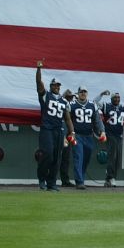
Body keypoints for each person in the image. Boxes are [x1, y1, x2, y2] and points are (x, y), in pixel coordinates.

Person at [35, 62, 74, 192]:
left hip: (59, 131)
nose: (57, 87)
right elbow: (39, 83)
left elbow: (67, 118)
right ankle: (42, 178)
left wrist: (72, 132)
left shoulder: (64, 101)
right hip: (47, 129)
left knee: (57, 158)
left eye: (58, 85)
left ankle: (51, 183)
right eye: (55, 85)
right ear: (51, 86)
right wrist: (39, 69)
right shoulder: (46, 95)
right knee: (48, 154)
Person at [98, 91, 124, 187]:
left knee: (117, 158)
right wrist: (101, 94)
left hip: (119, 136)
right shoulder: (107, 106)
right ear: (111, 99)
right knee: (112, 156)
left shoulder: (123, 108)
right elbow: (95, 103)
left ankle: (109, 178)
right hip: (110, 134)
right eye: (115, 97)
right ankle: (111, 177)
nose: (117, 99)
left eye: (118, 97)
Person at [69, 87, 101, 189]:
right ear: (78, 93)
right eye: (81, 92)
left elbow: (97, 120)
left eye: (84, 92)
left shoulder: (92, 105)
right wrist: (70, 133)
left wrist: (102, 131)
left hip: (89, 136)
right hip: (77, 135)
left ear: (87, 93)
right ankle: (79, 181)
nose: (83, 93)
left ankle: (81, 179)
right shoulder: (72, 105)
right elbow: (67, 119)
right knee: (78, 157)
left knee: (86, 159)